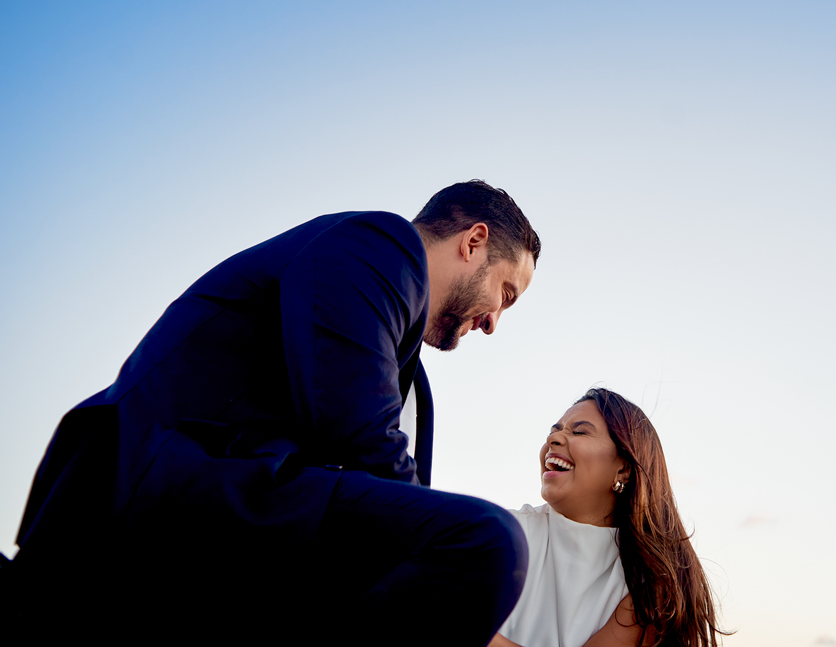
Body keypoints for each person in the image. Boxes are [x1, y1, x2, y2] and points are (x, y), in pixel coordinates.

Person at [10, 180, 540, 644]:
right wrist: (436, 562)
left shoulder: (408, 365)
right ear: (474, 242)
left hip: (228, 505)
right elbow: (355, 428)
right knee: (485, 542)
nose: (494, 321)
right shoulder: (380, 246)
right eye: (506, 294)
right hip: (156, 487)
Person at [492, 388, 727, 647]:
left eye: (579, 432)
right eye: (554, 431)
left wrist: (462, 629)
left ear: (624, 468)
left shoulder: (650, 582)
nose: (554, 438)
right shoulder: (498, 534)